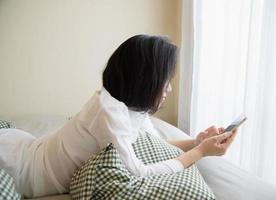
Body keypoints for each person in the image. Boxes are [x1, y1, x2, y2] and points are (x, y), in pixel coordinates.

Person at [0, 34, 237, 198]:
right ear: (145, 81)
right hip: (23, 170)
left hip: (27, 146)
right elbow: (140, 173)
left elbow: (155, 145)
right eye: (166, 82)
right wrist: (200, 152)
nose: (169, 90)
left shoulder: (133, 106)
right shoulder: (109, 112)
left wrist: (196, 142)